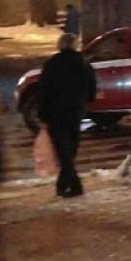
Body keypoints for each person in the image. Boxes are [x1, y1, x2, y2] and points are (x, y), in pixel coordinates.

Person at [37, 32, 96, 198]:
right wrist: (83, 101)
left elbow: (43, 91)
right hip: (75, 111)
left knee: (62, 149)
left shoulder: (52, 64)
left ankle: (74, 184)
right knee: (71, 148)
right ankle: (62, 184)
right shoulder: (83, 63)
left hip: (55, 112)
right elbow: (92, 90)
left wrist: (42, 114)